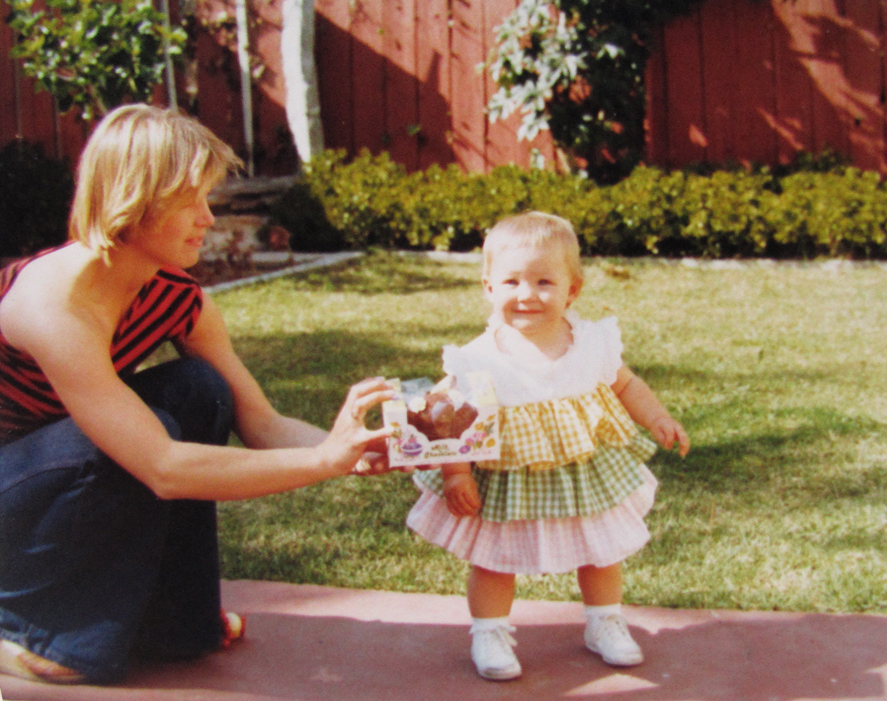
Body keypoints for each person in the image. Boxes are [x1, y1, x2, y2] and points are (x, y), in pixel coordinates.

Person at [0, 104, 396, 685]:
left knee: (200, 389)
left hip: (49, 487)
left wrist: (357, 449)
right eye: (191, 200)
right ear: (136, 198)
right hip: (14, 504)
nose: (208, 218)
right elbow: (162, 468)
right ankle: (38, 634)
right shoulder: (54, 305)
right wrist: (319, 462)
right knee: (120, 442)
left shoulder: (178, 299)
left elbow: (258, 421)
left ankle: (174, 623)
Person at [405, 211, 690, 681]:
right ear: (489, 287)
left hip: (581, 471)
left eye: (543, 282)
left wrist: (657, 416)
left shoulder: (591, 342)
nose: (526, 295)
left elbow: (625, 385)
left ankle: (605, 621)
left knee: (600, 551)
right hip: (506, 477)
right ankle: (489, 631)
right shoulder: (478, 357)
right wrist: (456, 473)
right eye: (511, 281)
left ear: (572, 290)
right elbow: (447, 415)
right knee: (494, 559)